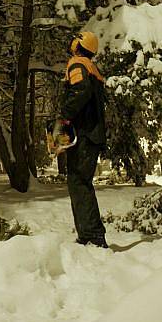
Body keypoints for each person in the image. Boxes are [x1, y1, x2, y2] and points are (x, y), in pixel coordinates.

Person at [57, 30, 108, 248]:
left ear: (79, 44)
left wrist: (65, 118)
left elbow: (80, 90)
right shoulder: (90, 66)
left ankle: (93, 235)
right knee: (79, 183)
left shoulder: (77, 63)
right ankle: (88, 234)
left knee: (79, 182)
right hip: (90, 133)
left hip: (85, 135)